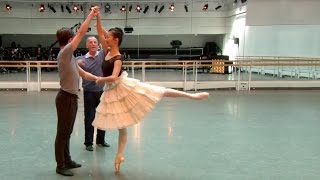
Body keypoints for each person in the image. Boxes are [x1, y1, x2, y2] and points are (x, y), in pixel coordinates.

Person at [92, 9, 209, 173]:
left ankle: (192, 96)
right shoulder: (106, 50)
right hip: (112, 92)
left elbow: (112, 77)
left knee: (157, 91)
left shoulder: (117, 57)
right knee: (122, 126)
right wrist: (97, 16)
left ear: (116, 40)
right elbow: (99, 31)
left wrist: (99, 79)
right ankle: (119, 155)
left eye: (108, 36)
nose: (105, 38)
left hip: (122, 87)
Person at [54, 7, 99, 176]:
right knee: (62, 132)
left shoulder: (70, 57)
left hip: (71, 98)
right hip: (65, 98)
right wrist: (91, 14)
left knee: (68, 131)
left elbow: (83, 73)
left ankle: (67, 160)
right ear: (70, 39)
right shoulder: (65, 52)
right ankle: (60, 165)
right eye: (74, 38)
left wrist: (98, 79)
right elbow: (81, 33)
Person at [77, 36, 110, 152]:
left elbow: (106, 45)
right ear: (87, 45)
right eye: (90, 42)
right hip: (89, 93)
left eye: (95, 42)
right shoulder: (81, 59)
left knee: (102, 116)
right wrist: (79, 64)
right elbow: (77, 66)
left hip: (102, 91)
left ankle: (100, 140)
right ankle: (88, 142)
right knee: (89, 117)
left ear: (98, 44)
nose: (93, 44)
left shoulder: (102, 55)